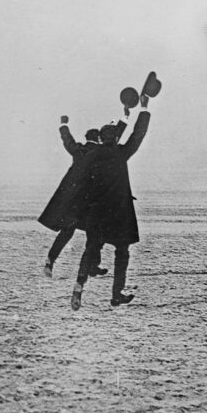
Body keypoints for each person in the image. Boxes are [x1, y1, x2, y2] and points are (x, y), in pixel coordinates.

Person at [70, 93, 152, 310]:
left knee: (91, 248)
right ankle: (116, 294)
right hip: (118, 214)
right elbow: (138, 134)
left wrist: (125, 116)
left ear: (100, 139)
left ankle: (79, 285)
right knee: (122, 252)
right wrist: (143, 110)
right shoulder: (121, 153)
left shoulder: (92, 155)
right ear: (115, 139)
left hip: (96, 213)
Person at [38, 116, 126, 277]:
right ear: (99, 138)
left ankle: (51, 260)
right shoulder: (100, 152)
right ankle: (92, 265)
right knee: (96, 234)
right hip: (90, 202)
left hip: (74, 202)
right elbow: (115, 135)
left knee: (67, 232)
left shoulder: (78, 150)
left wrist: (63, 124)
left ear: (86, 138)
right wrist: (124, 118)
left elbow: (67, 140)